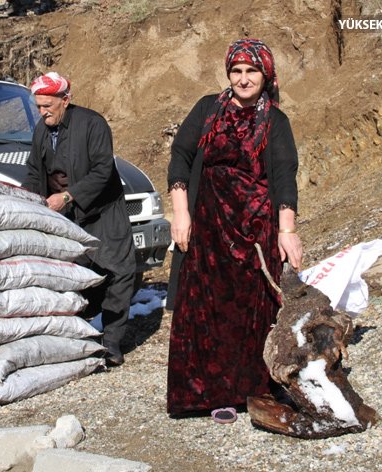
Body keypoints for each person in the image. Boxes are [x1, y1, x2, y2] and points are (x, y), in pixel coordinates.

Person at [165, 39, 303, 421]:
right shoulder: (207, 108)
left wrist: (286, 230)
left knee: (250, 314)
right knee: (207, 312)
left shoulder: (276, 122)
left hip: (255, 234)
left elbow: (285, 176)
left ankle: (253, 390)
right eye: (236, 71)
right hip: (207, 231)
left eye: (251, 71)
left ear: (265, 75)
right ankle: (212, 395)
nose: (243, 79)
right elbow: (181, 156)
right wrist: (181, 213)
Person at [23, 72, 136, 367]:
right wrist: (29, 203)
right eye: (38, 106)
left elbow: (103, 170)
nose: (42, 112)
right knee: (71, 275)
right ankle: (73, 337)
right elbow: (34, 171)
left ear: (65, 100)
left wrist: (68, 196)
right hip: (67, 215)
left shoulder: (92, 124)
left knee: (119, 272)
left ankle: (111, 342)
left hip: (103, 210)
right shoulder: (41, 130)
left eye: (48, 105)